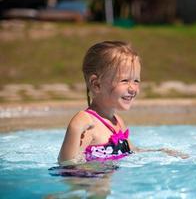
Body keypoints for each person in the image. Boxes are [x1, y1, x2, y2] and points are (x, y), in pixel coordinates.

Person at [58, 41, 187, 166]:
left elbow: (132, 151)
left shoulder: (118, 122)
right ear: (97, 84)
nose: (132, 88)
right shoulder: (87, 123)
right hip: (93, 182)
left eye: (136, 81)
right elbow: (67, 164)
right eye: (125, 80)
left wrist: (161, 152)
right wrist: (74, 128)